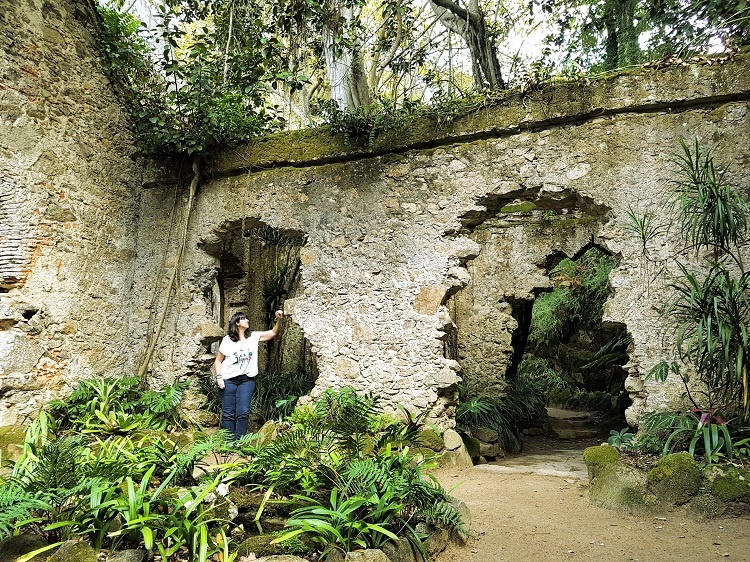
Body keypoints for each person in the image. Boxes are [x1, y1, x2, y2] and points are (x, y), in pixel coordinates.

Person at [214, 309, 283, 441]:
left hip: (246, 380)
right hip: (228, 379)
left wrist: (279, 319)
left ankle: (240, 443)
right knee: (228, 413)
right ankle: (229, 444)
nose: (247, 320)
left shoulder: (253, 336)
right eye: (244, 319)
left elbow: (273, 332)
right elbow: (218, 360)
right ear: (237, 323)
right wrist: (219, 378)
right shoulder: (227, 340)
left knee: (243, 412)